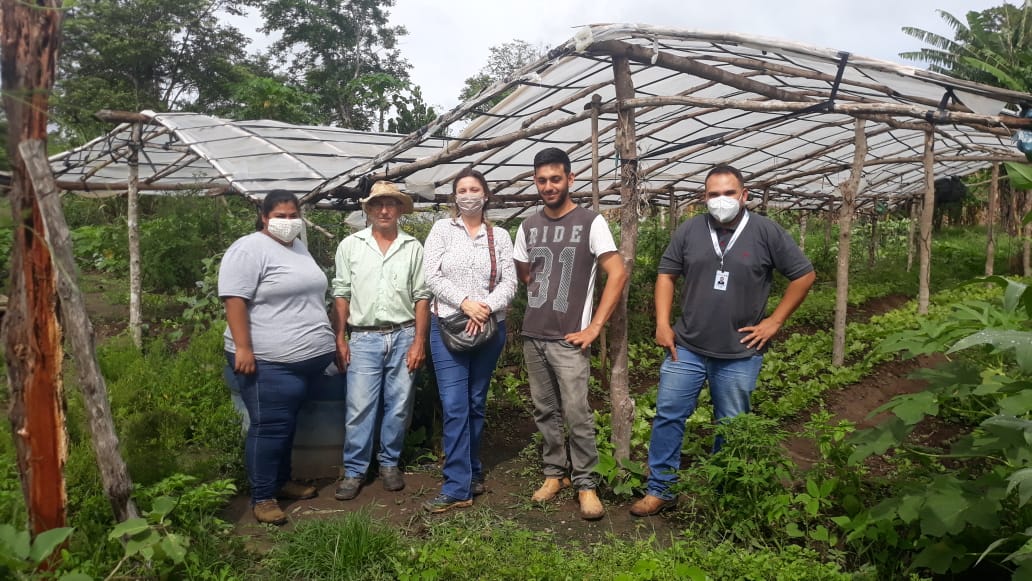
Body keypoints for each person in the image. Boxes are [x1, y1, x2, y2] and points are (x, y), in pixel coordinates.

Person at [630, 164, 816, 517]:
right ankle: (661, 489)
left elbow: (804, 275)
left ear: (745, 196)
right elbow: (666, 275)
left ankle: (722, 490)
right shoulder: (690, 230)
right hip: (685, 345)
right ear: (704, 197)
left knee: (731, 423)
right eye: (714, 194)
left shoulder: (766, 232)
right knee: (669, 415)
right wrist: (662, 323)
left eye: (729, 193)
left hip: (740, 351)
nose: (721, 200)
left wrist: (774, 322)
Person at [513, 147, 628, 521]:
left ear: (570, 179)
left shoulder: (590, 222)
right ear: (536, 182)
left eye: (555, 179)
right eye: (542, 180)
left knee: (577, 411)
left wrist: (595, 325)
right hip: (534, 334)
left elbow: (618, 272)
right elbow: (524, 272)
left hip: (569, 337)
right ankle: (554, 473)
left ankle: (586, 483)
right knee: (544, 409)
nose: (549, 186)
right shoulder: (529, 226)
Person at [219, 190, 336, 526]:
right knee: (269, 427)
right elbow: (234, 299)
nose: (288, 222)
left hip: (303, 361)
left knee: (285, 425)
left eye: (293, 215)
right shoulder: (249, 248)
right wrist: (243, 347)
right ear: (265, 216)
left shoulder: (298, 247)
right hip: (267, 359)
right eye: (281, 216)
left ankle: (281, 481)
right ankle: (263, 497)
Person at [420, 168, 517, 513]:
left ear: (485, 195)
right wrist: (465, 303)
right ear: (454, 197)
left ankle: (472, 470)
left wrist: (487, 307)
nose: (468, 194)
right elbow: (431, 274)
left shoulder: (499, 236)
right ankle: (457, 486)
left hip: (490, 328)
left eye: (474, 189)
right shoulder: (441, 230)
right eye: (462, 189)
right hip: (449, 326)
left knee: (476, 402)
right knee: (455, 404)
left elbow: (510, 282)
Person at [331, 180, 431, 501]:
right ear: (368, 210)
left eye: (391, 204)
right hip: (364, 337)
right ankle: (355, 469)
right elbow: (342, 292)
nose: (384, 210)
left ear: (400, 209)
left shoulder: (413, 246)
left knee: (400, 404)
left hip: (403, 334)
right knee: (359, 406)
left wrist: (419, 341)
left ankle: (389, 463)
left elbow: (422, 297)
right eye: (378, 205)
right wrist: (341, 338)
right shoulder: (351, 246)